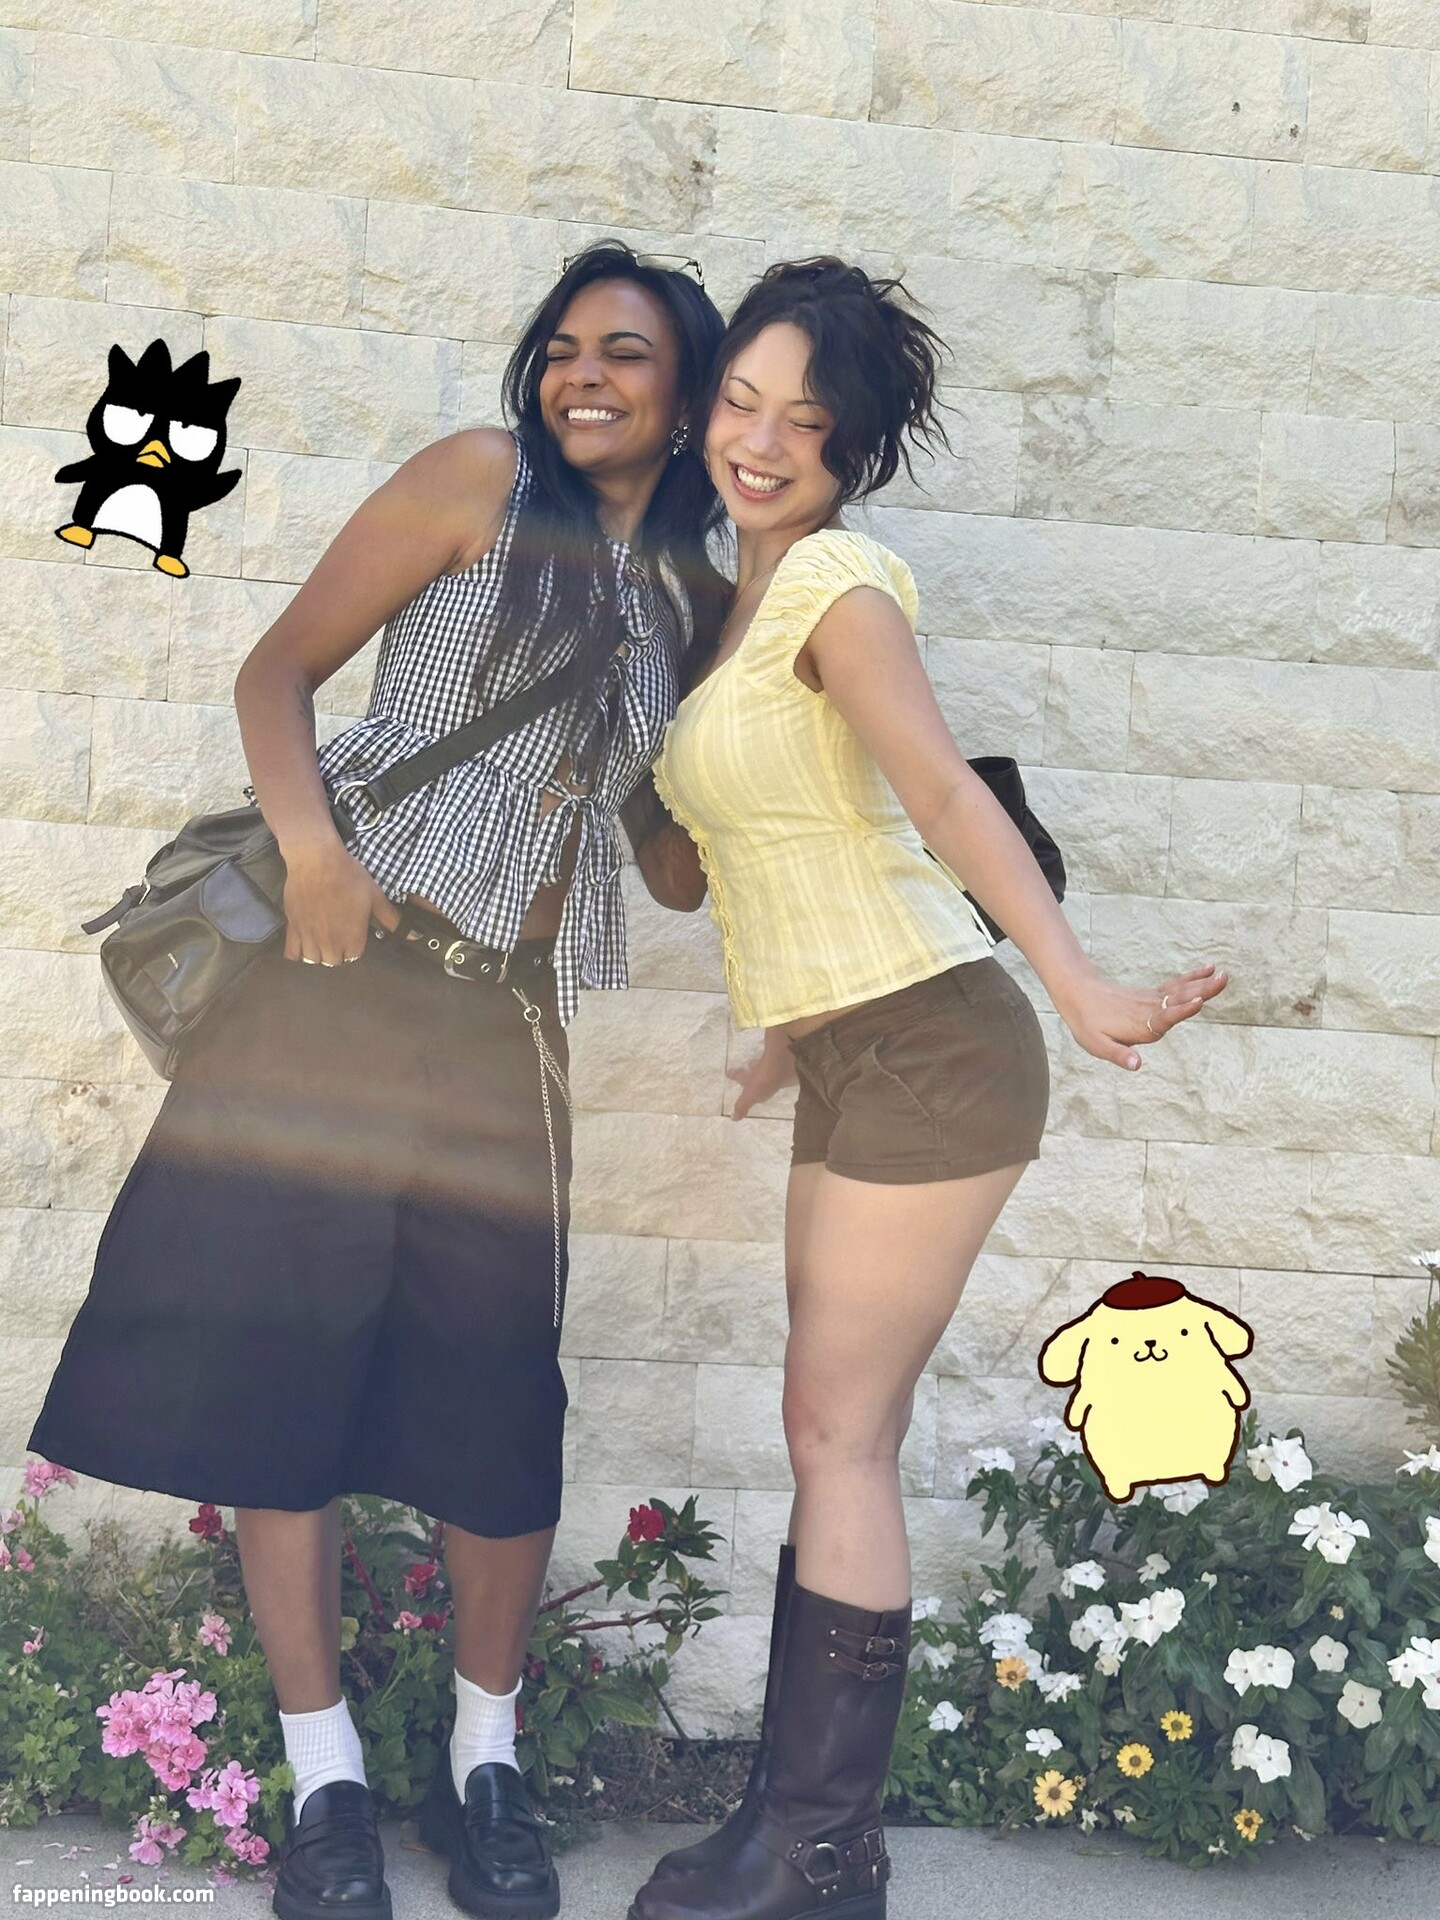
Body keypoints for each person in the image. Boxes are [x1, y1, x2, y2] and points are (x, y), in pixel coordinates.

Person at [27, 241, 728, 1920]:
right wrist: (314, 852)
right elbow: (276, 672)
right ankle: (324, 1782)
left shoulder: (696, 598)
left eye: (625, 353)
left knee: (497, 1400)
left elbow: (666, 854)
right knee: (287, 1380)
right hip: (336, 986)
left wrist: (751, 782)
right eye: (563, 346)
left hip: (504, 1025)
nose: (583, 375)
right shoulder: (479, 481)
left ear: (688, 393)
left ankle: (486, 1765)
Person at [629, 258, 1229, 1920]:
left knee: (838, 1431)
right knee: (834, 1426)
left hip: (935, 1045)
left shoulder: (838, 586)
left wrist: (1078, 980)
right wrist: (776, 1029)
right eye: (741, 402)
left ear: (854, 449)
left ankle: (818, 1850)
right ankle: (796, 1827)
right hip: (852, 1047)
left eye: (806, 423)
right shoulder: (728, 609)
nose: (761, 443)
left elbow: (945, 799)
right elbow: (787, 843)